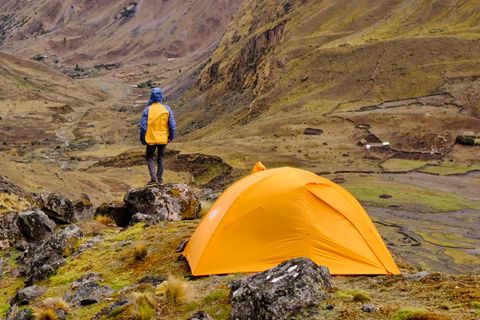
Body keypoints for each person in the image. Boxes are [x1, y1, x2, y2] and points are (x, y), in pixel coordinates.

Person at [140, 87, 176, 185]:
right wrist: (171, 137)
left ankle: (153, 179)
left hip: (151, 138)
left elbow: (143, 127)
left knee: (150, 157)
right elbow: (172, 125)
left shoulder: (147, 110)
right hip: (163, 138)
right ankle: (160, 179)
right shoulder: (167, 109)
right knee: (161, 157)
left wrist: (143, 139)